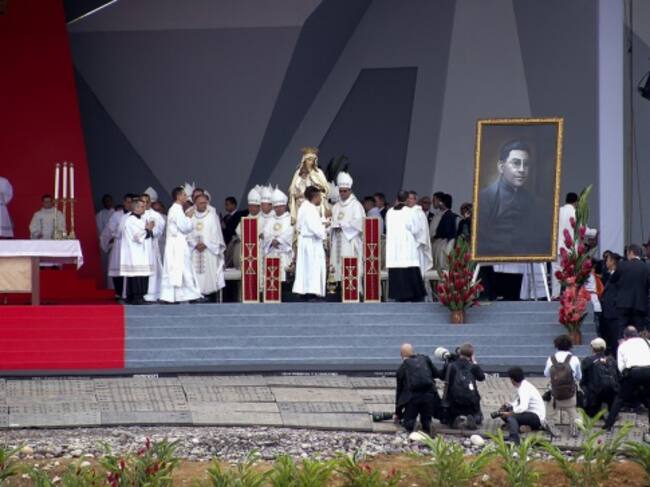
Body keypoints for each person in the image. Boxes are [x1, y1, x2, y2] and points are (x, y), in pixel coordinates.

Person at [477, 140, 548, 256]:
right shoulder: (485, 198)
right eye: (516, 163)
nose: (522, 169)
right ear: (501, 167)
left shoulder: (536, 203)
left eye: (526, 164)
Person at [159, 187, 203, 303]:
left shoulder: (176, 209)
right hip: (177, 245)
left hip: (176, 244)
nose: (186, 197)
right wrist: (189, 217)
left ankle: (177, 296)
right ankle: (189, 296)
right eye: (184, 195)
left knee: (178, 270)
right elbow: (184, 227)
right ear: (178, 196)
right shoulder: (176, 210)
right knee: (182, 269)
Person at [604, 326, 650, 430]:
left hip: (633, 372)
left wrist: (625, 377)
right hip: (649, 370)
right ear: (637, 334)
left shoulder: (623, 345)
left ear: (625, 336)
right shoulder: (647, 342)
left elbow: (621, 366)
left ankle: (608, 425)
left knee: (620, 398)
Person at [386, 191, 426, 302]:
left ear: (397, 198)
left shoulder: (389, 212)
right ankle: (413, 294)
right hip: (406, 245)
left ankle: (399, 295)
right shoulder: (409, 212)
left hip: (394, 246)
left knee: (397, 268)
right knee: (409, 267)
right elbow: (416, 229)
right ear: (407, 199)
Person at [394, 343, 441, 434]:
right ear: (413, 351)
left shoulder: (402, 368)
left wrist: (398, 413)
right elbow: (437, 374)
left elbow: (399, 392)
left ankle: (414, 424)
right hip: (429, 397)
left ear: (401, 355)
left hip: (413, 399)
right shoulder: (425, 359)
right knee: (426, 419)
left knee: (408, 421)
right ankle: (428, 425)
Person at [330, 172, 365, 293]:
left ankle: (352, 291)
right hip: (337, 239)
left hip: (349, 240)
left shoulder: (356, 205)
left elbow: (360, 224)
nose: (342, 193)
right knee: (336, 265)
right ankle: (337, 289)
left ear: (350, 190)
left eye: (345, 191)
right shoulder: (336, 206)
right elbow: (333, 221)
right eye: (340, 191)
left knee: (349, 265)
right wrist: (333, 226)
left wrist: (343, 225)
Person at [188, 194, 226, 301]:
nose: (204, 205)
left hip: (209, 251)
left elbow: (217, 235)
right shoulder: (190, 216)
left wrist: (206, 244)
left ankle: (208, 295)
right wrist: (195, 244)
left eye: (205, 203)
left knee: (209, 274)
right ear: (195, 204)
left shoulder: (213, 216)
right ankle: (195, 294)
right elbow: (186, 233)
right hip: (194, 250)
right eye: (201, 203)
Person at [293, 186, 328, 298]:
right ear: (315, 197)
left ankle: (304, 291)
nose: (321, 199)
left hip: (305, 240)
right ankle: (311, 292)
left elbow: (299, 226)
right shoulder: (311, 209)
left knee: (305, 267)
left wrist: (321, 223)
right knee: (313, 266)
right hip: (311, 242)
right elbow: (315, 228)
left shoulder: (304, 207)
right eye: (320, 197)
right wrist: (324, 230)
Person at [544, 334, 581, 437]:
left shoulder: (551, 359)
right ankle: (574, 428)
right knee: (572, 411)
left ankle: (551, 426)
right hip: (570, 393)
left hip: (555, 394)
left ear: (556, 345)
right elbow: (579, 376)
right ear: (570, 345)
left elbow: (546, 374)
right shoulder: (574, 359)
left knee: (549, 414)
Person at [119, 198, 155, 304]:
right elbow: (137, 236)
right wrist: (148, 229)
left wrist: (149, 229)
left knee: (142, 274)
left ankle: (141, 296)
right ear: (136, 208)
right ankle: (136, 297)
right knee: (136, 274)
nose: (145, 208)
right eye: (142, 206)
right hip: (134, 252)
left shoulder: (141, 219)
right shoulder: (131, 220)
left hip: (142, 252)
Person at [441, 343, 485, 430]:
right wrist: (475, 362)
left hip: (454, 402)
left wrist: (447, 362)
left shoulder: (451, 366)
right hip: (471, 402)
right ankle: (475, 418)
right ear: (471, 355)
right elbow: (482, 377)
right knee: (478, 415)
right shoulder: (473, 367)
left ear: (459, 353)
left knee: (447, 418)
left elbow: (442, 376)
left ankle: (454, 419)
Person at [500, 367, 546, 444]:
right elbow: (518, 402)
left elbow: (522, 407)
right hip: (531, 414)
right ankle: (525, 427)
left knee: (511, 417)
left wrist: (510, 413)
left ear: (512, 380)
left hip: (536, 417)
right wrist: (510, 405)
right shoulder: (523, 385)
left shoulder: (524, 389)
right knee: (504, 411)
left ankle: (514, 440)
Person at [609, 244, 650, 331]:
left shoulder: (622, 265)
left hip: (623, 304)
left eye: (627, 253)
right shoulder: (646, 267)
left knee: (622, 330)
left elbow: (612, 280)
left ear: (631, 252)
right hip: (640, 305)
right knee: (638, 331)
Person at [101, 194, 134, 299]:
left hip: (133, 247)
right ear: (124, 203)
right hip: (120, 245)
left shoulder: (137, 215)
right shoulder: (117, 215)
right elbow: (110, 229)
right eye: (127, 202)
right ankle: (119, 292)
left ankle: (131, 293)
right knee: (118, 269)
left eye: (132, 202)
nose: (129, 204)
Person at [288, 147, 330, 224]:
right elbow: (292, 189)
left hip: (313, 205)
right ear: (304, 160)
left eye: (313, 160)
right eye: (309, 160)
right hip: (300, 205)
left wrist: (314, 190)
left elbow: (326, 188)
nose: (311, 162)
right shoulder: (297, 173)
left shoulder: (318, 173)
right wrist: (294, 195)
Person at [262, 188, 294, 288]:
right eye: (276, 207)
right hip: (272, 253)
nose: (278, 209)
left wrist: (279, 240)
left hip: (284, 253)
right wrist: (272, 240)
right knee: (272, 280)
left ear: (285, 206)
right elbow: (266, 232)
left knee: (284, 280)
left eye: (280, 206)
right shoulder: (270, 219)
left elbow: (291, 232)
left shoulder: (290, 218)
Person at [580, 338, 619, 417]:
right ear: (604, 347)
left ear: (592, 348)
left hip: (595, 391)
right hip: (611, 390)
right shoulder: (611, 360)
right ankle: (612, 412)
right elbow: (617, 376)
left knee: (592, 414)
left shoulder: (588, 360)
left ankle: (595, 412)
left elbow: (583, 378)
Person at [406, 191, 434, 300]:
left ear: (415, 200)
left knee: (417, 272)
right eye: (407, 198)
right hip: (407, 247)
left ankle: (418, 294)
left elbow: (419, 231)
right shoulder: (406, 211)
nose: (409, 200)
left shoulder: (419, 213)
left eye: (411, 198)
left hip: (416, 247)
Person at [227, 187, 261, 270]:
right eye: (250, 206)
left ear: (259, 207)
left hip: (259, 251)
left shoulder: (262, 218)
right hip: (245, 251)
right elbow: (238, 231)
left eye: (254, 206)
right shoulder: (246, 218)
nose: (251, 208)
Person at [140, 193, 165, 302]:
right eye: (143, 202)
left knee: (153, 270)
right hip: (139, 247)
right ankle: (140, 293)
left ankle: (153, 293)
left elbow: (159, 231)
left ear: (150, 202)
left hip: (151, 245)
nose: (145, 204)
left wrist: (150, 230)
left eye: (147, 202)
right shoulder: (136, 214)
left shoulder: (156, 215)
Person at [600, 252, 621, 355]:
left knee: (615, 338)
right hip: (608, 312)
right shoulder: (609, 275)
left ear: (612, 262)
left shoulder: (618, 276)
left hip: (614, 312)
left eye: (607, 260)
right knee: (611, 338)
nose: (606, 262)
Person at [431, 193, 458, 270]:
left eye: (438, 201)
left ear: (442, 202)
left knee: (441, 265)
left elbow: (446, 231)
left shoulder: (449, 215)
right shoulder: (441, 214)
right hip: (439, 242)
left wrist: (435, 237)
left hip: (444, 243)